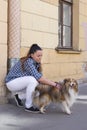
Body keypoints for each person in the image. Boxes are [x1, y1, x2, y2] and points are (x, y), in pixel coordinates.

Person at [5, 44, 60, 113]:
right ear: (31, 55)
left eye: (41, 56)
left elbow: (41, 78)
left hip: (20, 83)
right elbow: (39, 78)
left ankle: (19, 97)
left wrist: (52, 84)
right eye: (38, 56)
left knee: (37, 91)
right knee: (32, 80)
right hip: (11, 83)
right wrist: (55, 84)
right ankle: (28, 106)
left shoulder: (37, 63)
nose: (40, 58)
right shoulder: (28, 62)